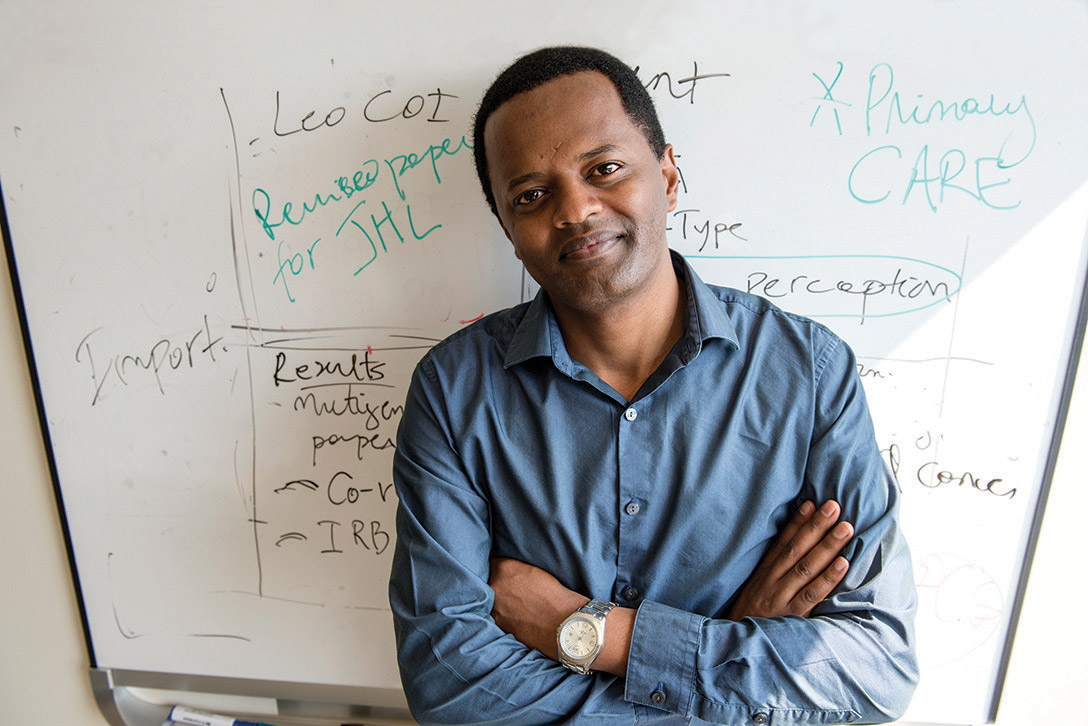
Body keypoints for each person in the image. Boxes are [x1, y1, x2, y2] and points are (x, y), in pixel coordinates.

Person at [388, 46, 918, 725]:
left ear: (667, 176)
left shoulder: (809, 375)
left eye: (604, 169)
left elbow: (875, 671)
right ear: (509, 232)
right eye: (531, 195)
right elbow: (451, 688)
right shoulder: (454, 390)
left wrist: (590, 633)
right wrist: (731, 645)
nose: (575, 210)